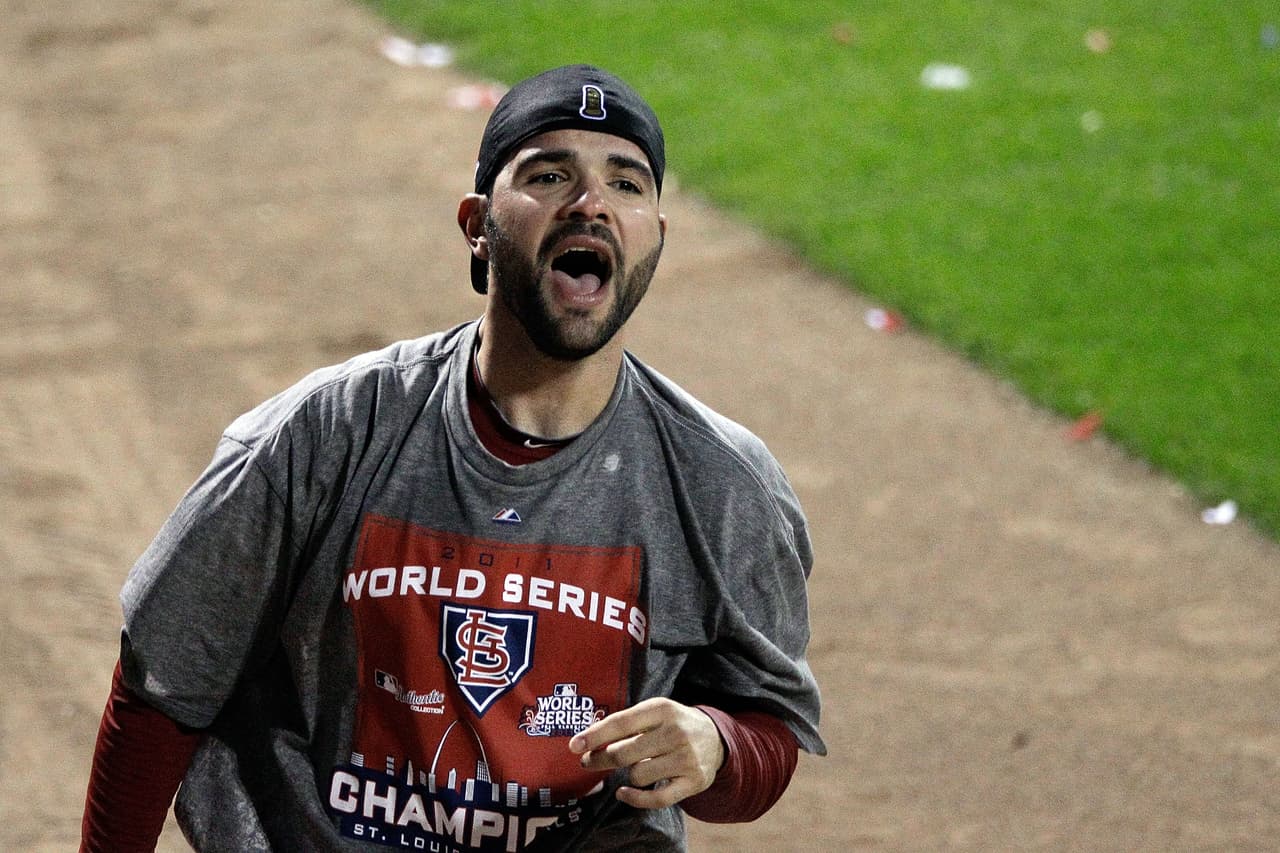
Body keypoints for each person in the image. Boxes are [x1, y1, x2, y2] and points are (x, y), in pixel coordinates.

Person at [81, 64, 824, 852]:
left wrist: (716, 744)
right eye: (549, 173)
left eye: (627, 184)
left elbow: (767, 729)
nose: (591, 203)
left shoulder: (723, 484)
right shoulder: (320, 436)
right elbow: (162, 686)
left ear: (656, 240)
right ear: (476, 223)